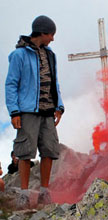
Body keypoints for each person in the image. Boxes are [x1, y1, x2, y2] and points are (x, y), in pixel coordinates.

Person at [5, 15, 65, 209]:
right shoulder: (19, 55)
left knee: (49, 150)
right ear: (42, 32)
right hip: (27, 110)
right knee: (25, 152)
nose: (52, 39)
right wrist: (14, 111)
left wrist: (59, 106)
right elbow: (11, 84)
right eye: (51, 34)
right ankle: (23, 194)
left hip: (48, 110)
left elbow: (54, 82)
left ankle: (44, 192)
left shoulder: (50, 54)